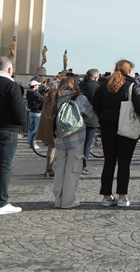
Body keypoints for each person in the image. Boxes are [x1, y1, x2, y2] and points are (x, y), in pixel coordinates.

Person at [92, 60, 140, 207]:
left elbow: (95, 104)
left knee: (109, 161)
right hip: (126, 127)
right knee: (124, 163)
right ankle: (122, 196)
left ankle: (106, 196)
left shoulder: (104, 85)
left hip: (107, 126)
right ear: (129, 71)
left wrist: (103, 117)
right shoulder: (132, 86)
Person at [51, 77, 98, 209]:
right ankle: (68, 201)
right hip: (76, 136)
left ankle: (58, 200)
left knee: (60, 167)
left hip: (60, 136)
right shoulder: (80, 98)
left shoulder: (56, 98)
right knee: (73, 168)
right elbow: (90, 113)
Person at [0, 57, 28, 215]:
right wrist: (22, 123)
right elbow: (19, 111)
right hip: (8, 130)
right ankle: (1, 203)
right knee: (5, 168)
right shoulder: (11, 85)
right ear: (9, 69)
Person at [78, 69, 101, 173]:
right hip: (92, 118)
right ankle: (83, 165)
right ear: (95, 78)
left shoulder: (80, 86)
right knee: (87, 144)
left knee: (78, 143)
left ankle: (75, 163)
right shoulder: (98, 87)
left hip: (79, 118)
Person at [26, 80, 44, 150]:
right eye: (37, 85)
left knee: (31, 128)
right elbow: (43, 99)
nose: (38, 86)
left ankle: (29, 143)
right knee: (36, 129)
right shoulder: (35, 93)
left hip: (31, 111)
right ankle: (34, 143)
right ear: (34, 86)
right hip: (37, 112)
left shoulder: (28, 93)